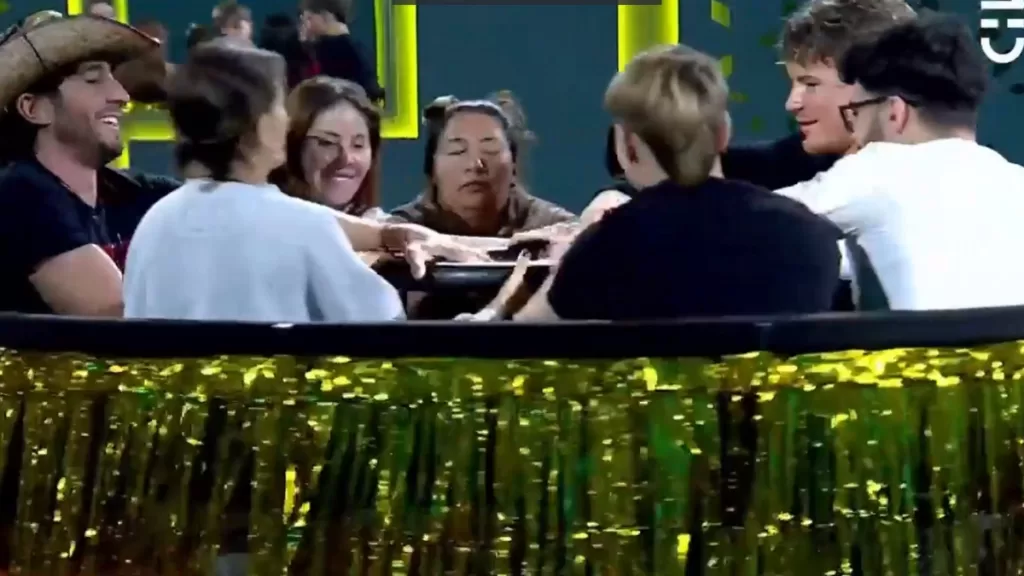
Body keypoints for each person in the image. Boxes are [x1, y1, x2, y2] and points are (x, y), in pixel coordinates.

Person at [472, 45, 842, 321]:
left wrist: (506, 300)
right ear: (723, 133)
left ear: (627, 147)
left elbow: (524, 342)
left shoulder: (609, 247)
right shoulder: (811, 237)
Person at [123, 39, 403, 322]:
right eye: (279, 105)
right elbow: (384, 324)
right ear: (257, 121)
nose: (287, 121)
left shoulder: (154, 223)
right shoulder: (304, 226)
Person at [774, 13, 1024, 311]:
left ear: (895, 111)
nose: (855, 131)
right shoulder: (1015, 181)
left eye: (856, 112)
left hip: (924, 342)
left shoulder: (876, 169)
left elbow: (746, 220)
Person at [0, 12, 180, 315]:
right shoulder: (18, 195)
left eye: (114, 78)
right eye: (93, 79)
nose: (121, 95)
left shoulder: (138, 194)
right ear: (34, 108)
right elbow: (116, 318)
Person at [390, 94, 575, 237]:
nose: (476, 165)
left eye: (490, 150)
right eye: (457, 151)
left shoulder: (555, 228)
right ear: (433, 168)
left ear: (513, 164)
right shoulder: (400, 232)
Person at [272, 76, 385, 218]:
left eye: (358, 145)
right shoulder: (262, 222)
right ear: (293, 147)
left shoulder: (385, 227)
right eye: (327, 143)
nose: (346, 159)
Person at [299, 0, 382, 101]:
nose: (307, 25)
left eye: (309, 18)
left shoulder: (335, 51)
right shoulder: (358, 49)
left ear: (326, 15)